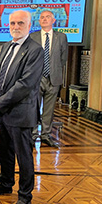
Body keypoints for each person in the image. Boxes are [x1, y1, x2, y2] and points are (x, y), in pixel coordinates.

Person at [0, 10, 43, 204]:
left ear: (29, 25)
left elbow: (25, 84)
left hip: (20, 113)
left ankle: (25, 196)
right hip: (1, 112)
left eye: (20, 23)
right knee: (4, 151)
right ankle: (5, 184)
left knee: (24, 156)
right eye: (12, 23)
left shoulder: (35, 50)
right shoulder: (6, 47)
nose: (15, 27)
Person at [30, 10, 68, 147]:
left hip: (54, 78)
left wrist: (54, 70)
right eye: (42, 18)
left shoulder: (61, 37)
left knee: (49, 109)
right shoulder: (32, 37)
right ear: (39, 21)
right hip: (36, 78)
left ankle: (46, 135)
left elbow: (63, 58)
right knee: (33, 107)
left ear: (53, 20)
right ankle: (33, 134)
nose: (44, 19)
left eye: (47, 17)